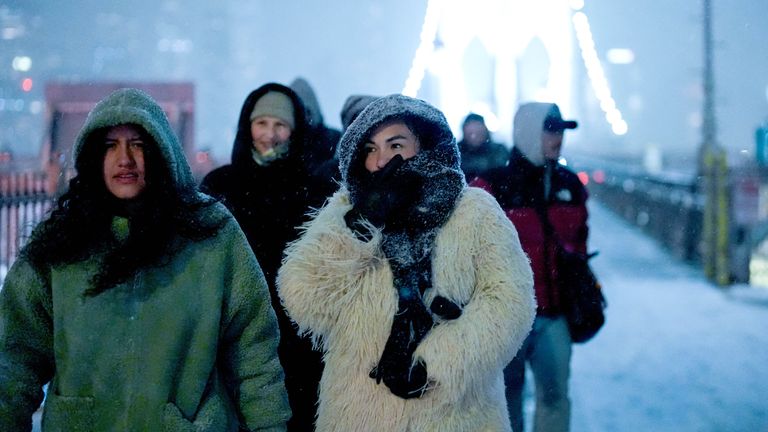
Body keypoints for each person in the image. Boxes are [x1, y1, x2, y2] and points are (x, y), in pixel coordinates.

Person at [0, 88, 290, 431]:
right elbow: (14, 358)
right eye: (110, 145)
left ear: (161, 152)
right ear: (94, 156)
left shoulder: (210, 235)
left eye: (138, 144)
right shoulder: (61, 243)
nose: (125, 159)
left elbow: (253, 353)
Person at [277, 94, 536, 431]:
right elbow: (302, 298)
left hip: (455, 414)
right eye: (370, 148)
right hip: (360, 415)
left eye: (395, 144)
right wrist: (361, 224)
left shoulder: (473, 211)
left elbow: (510, 301)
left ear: (424, 145)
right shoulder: (345, 210)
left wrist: (435, 364)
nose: (382, 159)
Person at [200, 82, 326, 431]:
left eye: (280, 125)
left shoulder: (313, 189)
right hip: (233, 330)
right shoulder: (220, 185)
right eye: (262, 124)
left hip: (298, 337)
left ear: (294, 131)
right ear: (248, 126)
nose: (270, 135)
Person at [472, 102, 585, 432]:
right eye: (550, 129)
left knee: (556, 398)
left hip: (553, 314)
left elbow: (579, 244)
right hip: (507, 317)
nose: (558, 137)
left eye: (562, 130)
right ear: (528, 132)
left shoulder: (571, 185)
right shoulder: (493, 186)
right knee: (505, 402)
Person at [290, 77, 342, 177]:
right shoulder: (286, 146)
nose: (303, 117)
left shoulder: (335, 138)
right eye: (298, 113)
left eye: (307, 111)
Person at [457, 112, 509, 181]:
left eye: (478, 133)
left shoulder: (498, 150)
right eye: (471, 133)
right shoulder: (456, 153)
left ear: (485, 131)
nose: (474, 137)